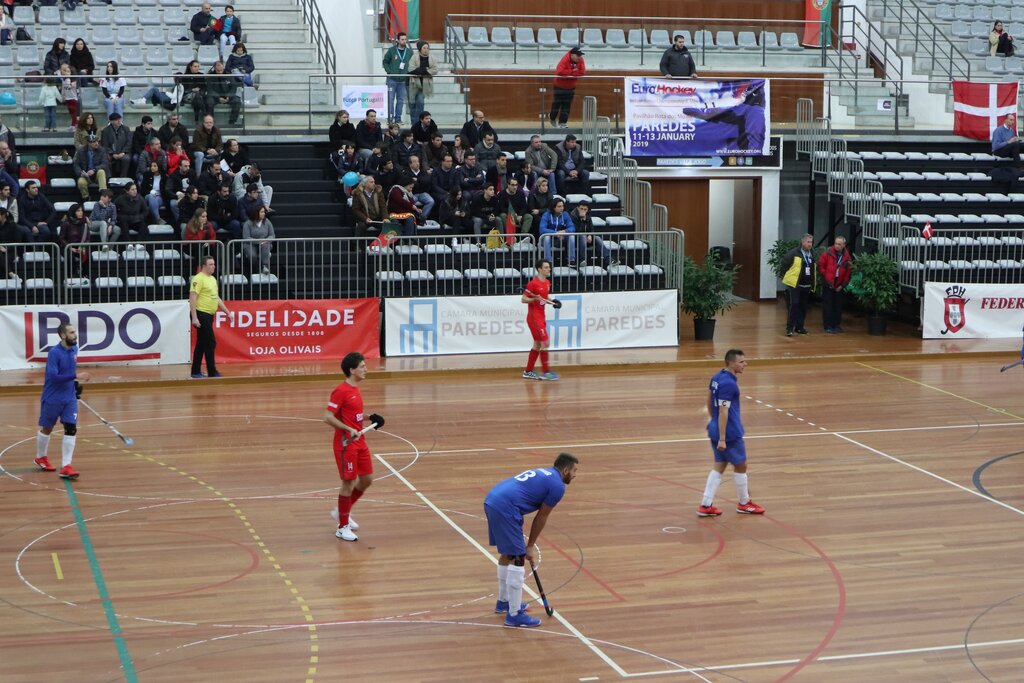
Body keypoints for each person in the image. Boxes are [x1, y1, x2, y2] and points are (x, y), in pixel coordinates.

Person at [483, 452, 579, 628]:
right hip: (506, 507)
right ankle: (514, 615)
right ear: (565, 470)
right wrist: (530, 546)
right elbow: (541, 518)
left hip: (493, 499)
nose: (575, 475)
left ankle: (504, 602)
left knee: (508, 554)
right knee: (518, 559)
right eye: (574, 471)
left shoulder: (546, 473)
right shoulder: (558, 486)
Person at [324, 352, 385, 542]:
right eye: (362, 366)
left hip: (360, 442)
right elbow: (328, 417)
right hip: (346, 444)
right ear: (352, 370)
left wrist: (370, 418)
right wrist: (347, 429)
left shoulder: (355, 389)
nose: (366, 369)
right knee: (348, 483)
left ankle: (342, 511)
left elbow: (354, 415)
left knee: (366, 480)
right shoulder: (341, 390)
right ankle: (342, 527)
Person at [698, 349, 765, 517]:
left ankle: (706, 504)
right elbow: (723, 411)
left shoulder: (717, 377)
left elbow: (708, 399)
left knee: (719, 465)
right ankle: (744, 503)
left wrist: (712, 421)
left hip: (717, 429)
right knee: (741, 465)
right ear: (731, 363)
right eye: (742, 362)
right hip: (729, 433)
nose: (745, 364)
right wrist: (722, 438)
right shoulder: (729, 384)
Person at [34, 322, 91, 479]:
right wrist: (76, 376)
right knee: (47, 428)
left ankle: (66, 466)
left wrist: (75, 385)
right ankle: (40, 457)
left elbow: (70, 371)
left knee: (71, 428)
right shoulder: (54, 353)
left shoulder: (74, 349)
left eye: (75, 332)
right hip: (53, 397)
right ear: (63, 335)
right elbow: (53, 377)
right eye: (72, 332)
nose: (75, 335)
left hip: (69, 398)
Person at [189, 255, 231, 379]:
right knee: (210, 342)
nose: (213, 266)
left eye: (214, 264)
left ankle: (195, 371)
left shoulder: (212, 279)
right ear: (203, 266)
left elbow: (216, 297)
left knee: (202, 343)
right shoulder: (198, 278)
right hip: (201, 313)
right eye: (210, 264)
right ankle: (212, 371)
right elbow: (192, 297)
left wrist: (227, 312)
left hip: (208, 314)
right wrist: (194, 317)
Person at [521, 258, 558, 380]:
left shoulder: (547, 283)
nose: (549, 269)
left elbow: (545, 296)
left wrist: (553, 301)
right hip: (534, 318)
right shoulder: (533, 283)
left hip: (541, 316)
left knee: (537, 344)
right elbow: (523, 299)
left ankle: (528, 371)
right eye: (546, 267)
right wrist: (534, 299)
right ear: (539, 269)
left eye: (549, 267)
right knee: (545, 343)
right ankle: (546, 372)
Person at [782, 233, 817, 336]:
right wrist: (789, 277)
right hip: (795, 285)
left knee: (803, 306)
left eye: (811, 242)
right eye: (808, 242)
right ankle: (790, 328)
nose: (810, 244)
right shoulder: (794, 253)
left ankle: (799, 327)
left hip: (807, 285)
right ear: (802, 242)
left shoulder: (813, 254)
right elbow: (784, 264)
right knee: (794, 305)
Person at [816, 235, 852, 333]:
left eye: (839, 244)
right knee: (828, 306)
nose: (837, 246)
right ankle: (827, 326)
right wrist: (825, 277)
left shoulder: (847, 257)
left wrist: (842, 285)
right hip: (828, 283)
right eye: (836, 243)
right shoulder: (827, 253)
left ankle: (836, 325)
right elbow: (820, 266)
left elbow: (848, 273)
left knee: (838, 306)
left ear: (844, 245)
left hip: (839, 284)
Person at [550, 47, 585, 128]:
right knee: (557, 103)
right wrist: (573, 71)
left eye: (580, 55)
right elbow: (559, 71)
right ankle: (552, 118)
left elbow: (582, 72)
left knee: (567, 105)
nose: (579, 57)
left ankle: (562, 122)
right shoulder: (565, 59)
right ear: (572, 55)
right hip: (559, 86)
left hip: (571, 87)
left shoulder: (581, 60)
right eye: (578, 55)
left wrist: (569, 73)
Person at [539, 197, 581, 265]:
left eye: (562, 206)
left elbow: (572, 227)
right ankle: (548, 261)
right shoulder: (546, 215)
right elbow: (542, 229)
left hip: (561, 239)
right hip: (548, 239)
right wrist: (555, 233)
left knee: (571, 236)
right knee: (546, 237)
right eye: (559, 206)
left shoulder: (565, 214)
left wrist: (565, 231)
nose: (562, 208)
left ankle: (571, 260)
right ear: (553, 207)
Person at [571, 200, 613, 267]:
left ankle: (609, 259)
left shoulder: (588, 215)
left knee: (597, 238)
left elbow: (592, 229)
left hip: (587, 239)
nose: (583, 211)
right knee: (582, 236)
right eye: (581, 209)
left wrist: (590, 235)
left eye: (585, 209)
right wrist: (582, 220)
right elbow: (575, 231)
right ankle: (582, 260)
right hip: (576, 240)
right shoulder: (573, 216)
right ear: (577, 208)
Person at [382, 31, 411, 124]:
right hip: (392, 79)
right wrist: (389, 71)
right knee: (390, 100)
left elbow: (412, 64)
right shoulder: (392, 50)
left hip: (403, 80)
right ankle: (390, 119)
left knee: (400, 100)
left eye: (405, 39)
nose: (404, 41)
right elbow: (385, 61)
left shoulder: (410, 52)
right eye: (402, 39)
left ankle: (398, 119)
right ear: (397, 40)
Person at [73, 133, 110, 200]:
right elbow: (76, 164)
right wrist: (81, 172)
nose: (97, 143)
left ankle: (104, 194)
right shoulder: (81, 151)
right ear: (88, 143)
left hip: (96, 175)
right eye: (94, 142)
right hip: (86, 175)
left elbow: (105, 164)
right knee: (81, 182)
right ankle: (86, 198)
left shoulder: (102, 150)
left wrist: (94, 170)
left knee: (101, 171)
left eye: (97, 141)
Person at [407, 40, 436, 124]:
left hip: (425, 85)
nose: (426, 49)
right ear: (420, 49)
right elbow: (411, 69)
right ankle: (414, 123)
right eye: (424, 48)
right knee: (412, 104)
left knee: (420, 101)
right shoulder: (414, 57)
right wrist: (423, 70)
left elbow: (435, 69)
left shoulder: (432, 57)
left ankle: (418, 122)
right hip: (413, 84)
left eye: (427, 48)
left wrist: (423, 71)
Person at [205, 62, 241, 126]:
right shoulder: (210, 76)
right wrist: (218, 97)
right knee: (208, 102)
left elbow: (233, 88)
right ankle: (211, 122)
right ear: (215, 69)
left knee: (237, 101)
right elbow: (209, 90)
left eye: (221, 70)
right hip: (215, 97)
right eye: (218, 70)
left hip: (227, 95)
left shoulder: (229, 75)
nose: (220, 72)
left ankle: (232, 122)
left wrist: (228, 96)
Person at [242, 205, 275, 273]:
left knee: (265, 244)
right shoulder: (248, 223)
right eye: (262, 212)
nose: (264, 214)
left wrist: (266, 240)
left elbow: (272, 235)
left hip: (264, 243)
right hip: (250, 244)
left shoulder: (267, 222)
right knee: (252, 255)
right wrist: (259, 241)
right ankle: (256, 270)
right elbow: (246, 238)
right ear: (256, 213)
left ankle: (265, 266)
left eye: (264, 212)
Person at [100, 112, 130, 178]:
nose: (119, 121)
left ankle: (123, 178)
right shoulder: (106, 131)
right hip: (111, 153)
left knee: (126, 159)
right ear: (111, 121)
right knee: (106, 159)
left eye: (120, 119)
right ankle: (109, 179)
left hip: (124, 153)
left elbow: (129, 143)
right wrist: (112, 154)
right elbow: (104, 145)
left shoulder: (126, 129)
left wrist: (123, 153)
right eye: (116, 120)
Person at [140, 160, 167, 224]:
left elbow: (166, 190)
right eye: (151, 166)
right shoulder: (147, 175)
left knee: (153, 203)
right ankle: (157, 218)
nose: (152, 167)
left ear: (159, 167)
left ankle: (154, 220)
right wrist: (150, 191)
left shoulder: (164, 177)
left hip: (160, 197)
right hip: (148, 196)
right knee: (151, 196)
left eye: (154, 166)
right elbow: (142, 190)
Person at [59, 63, 79, 131]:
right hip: (67, 99)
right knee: (71, 113)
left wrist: (68, 80)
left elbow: (71, 86)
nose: (67, 73)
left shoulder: (73, 80)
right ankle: (73, 125)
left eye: (68, 71)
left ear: (71, 72)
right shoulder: (64, 80)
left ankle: (75, 125)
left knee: (74, 113)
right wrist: (63, 96)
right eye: (66, 71)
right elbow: (63, 89)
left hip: (73, 98)